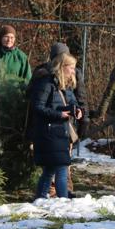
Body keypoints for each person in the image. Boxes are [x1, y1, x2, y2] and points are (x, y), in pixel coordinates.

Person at [29, 52, 82, 199]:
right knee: (61, 168)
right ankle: (63, 202)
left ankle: (39, 199)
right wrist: (59, 115)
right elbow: (38, 106)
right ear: (62, 67)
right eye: (71, 67)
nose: (73, 71)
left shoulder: (67, 86)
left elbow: (72, 103)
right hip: (49, 132)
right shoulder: (46, 83)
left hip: (61, 132)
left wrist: (77, 111)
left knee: (50, 170)